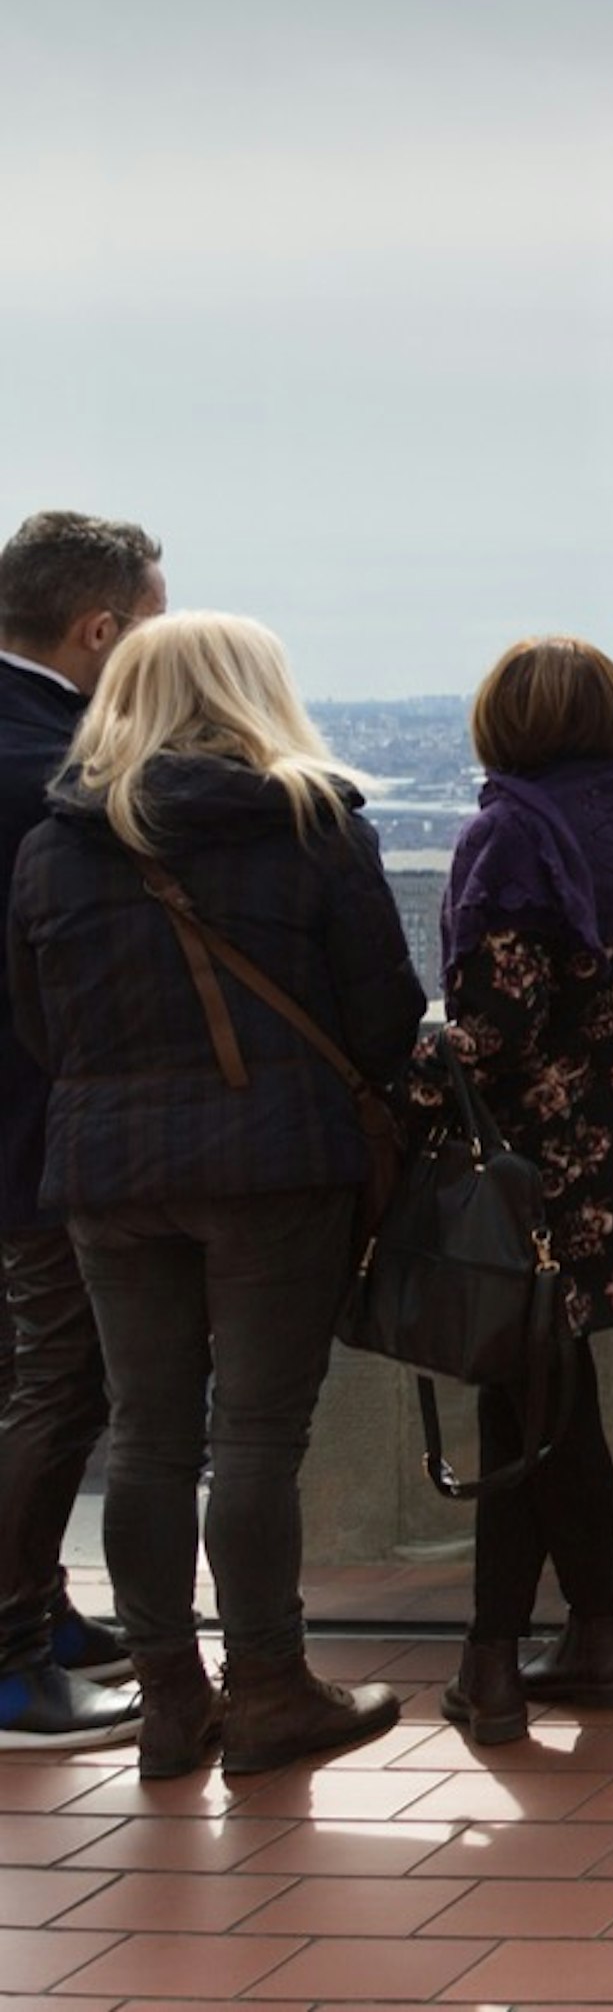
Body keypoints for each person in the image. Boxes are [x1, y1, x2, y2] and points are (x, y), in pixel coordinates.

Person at [8, 612, 420, 1779]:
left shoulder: (55, 843)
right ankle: (274, 1686)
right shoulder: (309, 823)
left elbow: (39, 1026)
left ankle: (173, 1699)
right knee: (255, 1434)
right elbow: (384, 1015)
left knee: (144, 1431)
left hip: (104, 1170)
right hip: (274, 1165)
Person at [426, 638, 613, 1746]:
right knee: (547, 1399)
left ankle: (498, 1659)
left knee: (524, 1403)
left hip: (533, 1183)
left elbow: (494, 1033)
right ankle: (591, 1636)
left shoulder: (516, 837)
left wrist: (403, 1077)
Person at [0, 514, 164, 1752]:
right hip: (35, 1119)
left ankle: (42, 1615)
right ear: (97, 631)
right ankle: (11, 1655)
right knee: (63, 1377)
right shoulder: (50, 768)